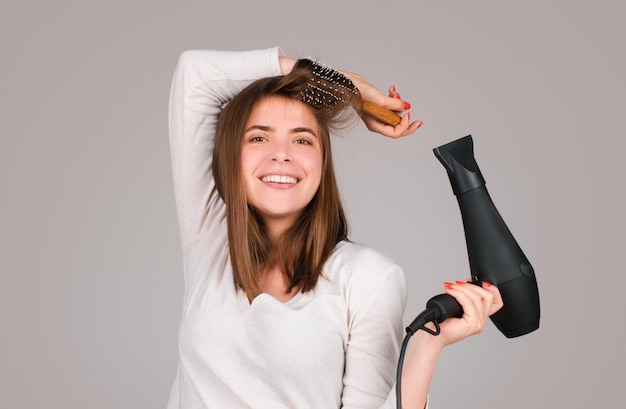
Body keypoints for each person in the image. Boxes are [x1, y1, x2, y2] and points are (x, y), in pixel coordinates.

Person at [166, 47, 503, 409]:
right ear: (232, 156)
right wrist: (347, 87)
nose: (281, 154)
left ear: (323, 163)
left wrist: (426, 345)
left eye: (302, 139)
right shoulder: (210, 236)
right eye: (259, 137)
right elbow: (195, 75)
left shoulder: (368, 278)